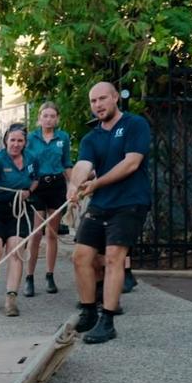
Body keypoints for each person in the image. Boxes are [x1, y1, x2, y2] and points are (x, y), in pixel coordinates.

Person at [68, 82, 153, 344]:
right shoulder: (91, 137)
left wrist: (95, 183)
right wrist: (73, 186)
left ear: (115, 98)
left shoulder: (135, 125)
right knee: (81, 257)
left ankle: (107, 320)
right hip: (101, 204)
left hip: (130, 201)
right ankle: (89, 311)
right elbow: (83, 165)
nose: (98, 105)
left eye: (102, 99)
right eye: (93, 101)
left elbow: (131, 163)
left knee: (115, 257)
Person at [0, 124, 37, 316]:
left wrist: (29, 191)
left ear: (25, 142)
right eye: (12, 140)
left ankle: (11, 298)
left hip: (18, 209)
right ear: (5, 141)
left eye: (20, 140)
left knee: (16, 250)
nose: (16, 144)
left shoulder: (31, 159)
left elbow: (35, 179)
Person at [23, 102, 73, 296]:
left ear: (57, 118)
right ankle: (29, 277)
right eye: (45, 115)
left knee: (52, 233)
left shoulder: (63, 138)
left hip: (56, 185)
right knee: (36, 233)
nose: (49, 119)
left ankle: (50, 275)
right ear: (39, 118)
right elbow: (24, 161)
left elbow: (66, 163)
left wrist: (74, 186)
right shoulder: (31, 138)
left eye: (52, 116)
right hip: (37, 186)